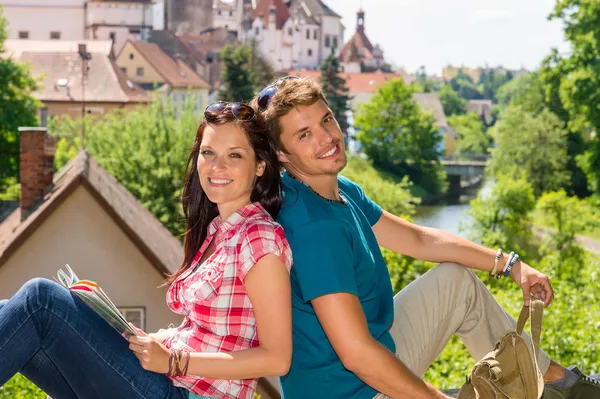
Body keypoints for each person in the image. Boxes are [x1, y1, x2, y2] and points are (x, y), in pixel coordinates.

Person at [251, 76, 600, 399]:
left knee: (454, 282)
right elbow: (357, 354)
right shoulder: (312, 226)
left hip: (371, 356)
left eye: (326, 120)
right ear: (282, 154)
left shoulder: (337, 190)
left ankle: (552, 382)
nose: (326, 138)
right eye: (304, 134)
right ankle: (552, 388)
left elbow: (418, 239)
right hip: (355, 390)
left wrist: (512, 265)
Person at [0, 102, 293, 399]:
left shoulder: (259, 239)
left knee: (41, 300)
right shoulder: (219, 232)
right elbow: (201, 333)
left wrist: (174, 361)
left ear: (260, 165)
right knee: (9, 311)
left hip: (183, 392)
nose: (218, 166)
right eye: (208, 153)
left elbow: (276, 358)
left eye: (235, 155)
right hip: (163, 380)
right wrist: (141, 338)